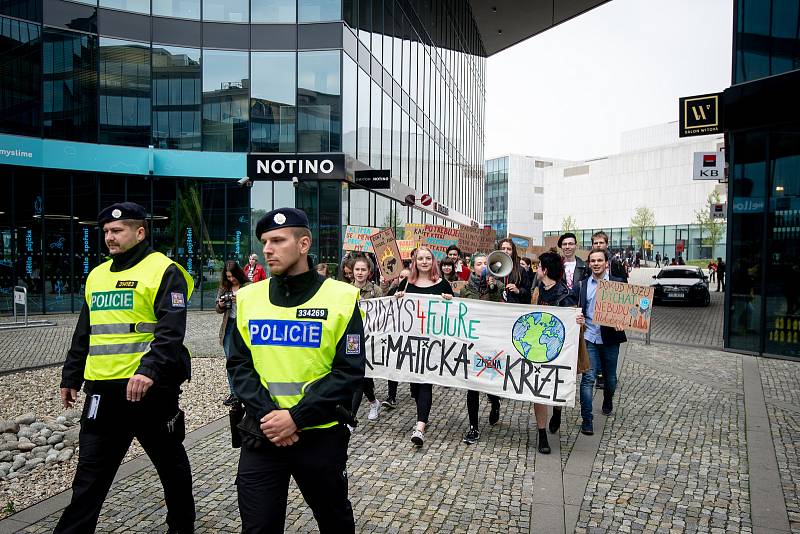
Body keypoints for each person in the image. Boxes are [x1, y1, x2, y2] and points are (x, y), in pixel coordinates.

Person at [56, 202, 195, 534]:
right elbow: (84, 330)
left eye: (117, 231)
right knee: (89, 475)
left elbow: (170, 331)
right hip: (102, 390)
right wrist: (71, 375)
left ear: (140, 232)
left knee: (171, 465)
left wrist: (148, 371)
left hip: (148, 390)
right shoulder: (97, 275)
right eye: (105, 232)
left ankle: (181, 526)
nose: (109, 237)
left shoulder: (164, 270)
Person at [228, 208, 363, 533]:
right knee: (258, 528)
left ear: (304, 244)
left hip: (320, 435)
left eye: (277, 240)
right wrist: (271, 416)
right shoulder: (248, 298)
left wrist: (296, 417)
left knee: (335, 522)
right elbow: (239, 365)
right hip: (263, 432)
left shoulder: (342, 298)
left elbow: (348, 372)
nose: (267, 249)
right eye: (264, 242)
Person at [389, 246, 453, 447]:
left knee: (425, 382)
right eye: (420, 259)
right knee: (415, 386)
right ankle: (421, 412)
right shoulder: (407, 284)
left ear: (433, 261)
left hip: (432, 343)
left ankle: (420, 426)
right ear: (415, 262)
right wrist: (397, 297)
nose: (424, 262)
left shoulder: (442, 284)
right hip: (411, 343)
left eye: (428, 258)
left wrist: (450, 301)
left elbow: (455, 314)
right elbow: (393, 309)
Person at [532, 252, 585, 443]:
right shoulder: (538, 290)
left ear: (545, 270)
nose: (537, 269)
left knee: (556, 389)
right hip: (538, 349)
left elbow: (572, 324)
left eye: (539, 266)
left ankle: (557, 410)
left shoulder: (565, 295)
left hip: (557, 352)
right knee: (537, 392)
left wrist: (578, 320)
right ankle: (542, 434)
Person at [575, 249, 627, 436]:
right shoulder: (582, 285)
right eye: (593, 261)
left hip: (610, 338)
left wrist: (624, 321)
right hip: (589, 337)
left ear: (607, 263)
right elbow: (576, 308)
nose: (596, 263)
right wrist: (577, 318)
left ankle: (608, 399)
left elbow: (628, 309)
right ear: (589, 264)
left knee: (610, 379)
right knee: (588, 379)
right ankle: (587, 419)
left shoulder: (618, 284)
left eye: (600, 260)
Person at [459, 253, 502, 445]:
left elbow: (500, 306)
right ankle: (473, 427)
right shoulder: (467, 289)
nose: (483, 266)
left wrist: (492, 287)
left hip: (491, 340)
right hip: (473, 341)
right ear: (472, 267)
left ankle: (494, 402)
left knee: (489, 378)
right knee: (473, 385)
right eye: (479, 264)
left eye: (486, 263)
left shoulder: (498, 286)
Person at [350, 255, 383, 422]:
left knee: (364, 375)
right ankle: (372, 403)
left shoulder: (375, 291)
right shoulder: (346, 290)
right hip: (353, 339)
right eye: (357, 269)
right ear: (352, 271)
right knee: (359, 375)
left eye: (363, 269)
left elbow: (383, 312)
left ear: (369, 271)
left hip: (371, 338)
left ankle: (355, 415)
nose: (360, 273)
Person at [216, 260, 249, 406]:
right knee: (230, 360)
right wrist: (221, 304)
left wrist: (241, 300)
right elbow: (217, 308)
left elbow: (255, 306)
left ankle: (246, 393)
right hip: (229, 325)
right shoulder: (225, 287)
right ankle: (234, 394)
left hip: (243, 325)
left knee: (246, 360)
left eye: (233, 276)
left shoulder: (249, 286)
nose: (231, 279)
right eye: (228, 277)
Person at [497, 238, 532, 304]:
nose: (505, 251)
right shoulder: (493, 268)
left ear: (513, 252)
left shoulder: (521, 270)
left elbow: (528, 293)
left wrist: (518, 291)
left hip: (513, 309)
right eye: (503, 248)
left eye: (509, 249)